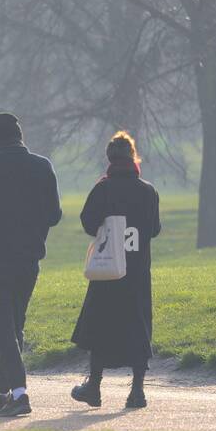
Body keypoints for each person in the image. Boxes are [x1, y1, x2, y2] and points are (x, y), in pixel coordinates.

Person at [0, 112, 62, 417]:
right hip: (28, 258)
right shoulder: (42, 166)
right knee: (14, 326)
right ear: (21, 137)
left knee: (4, 329)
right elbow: (55, 215)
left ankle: (20, 394)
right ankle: (2, 392)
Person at [70, 131, 161, 408]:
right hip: (136, 271)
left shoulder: (103, 188)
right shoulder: (147, 190)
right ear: (133, 156)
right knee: (138, 326)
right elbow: (154, 229)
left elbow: (88, 223)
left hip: (108, 269)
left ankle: (94, 387)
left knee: (101, 326)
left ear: (109, 158)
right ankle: (137, 391)